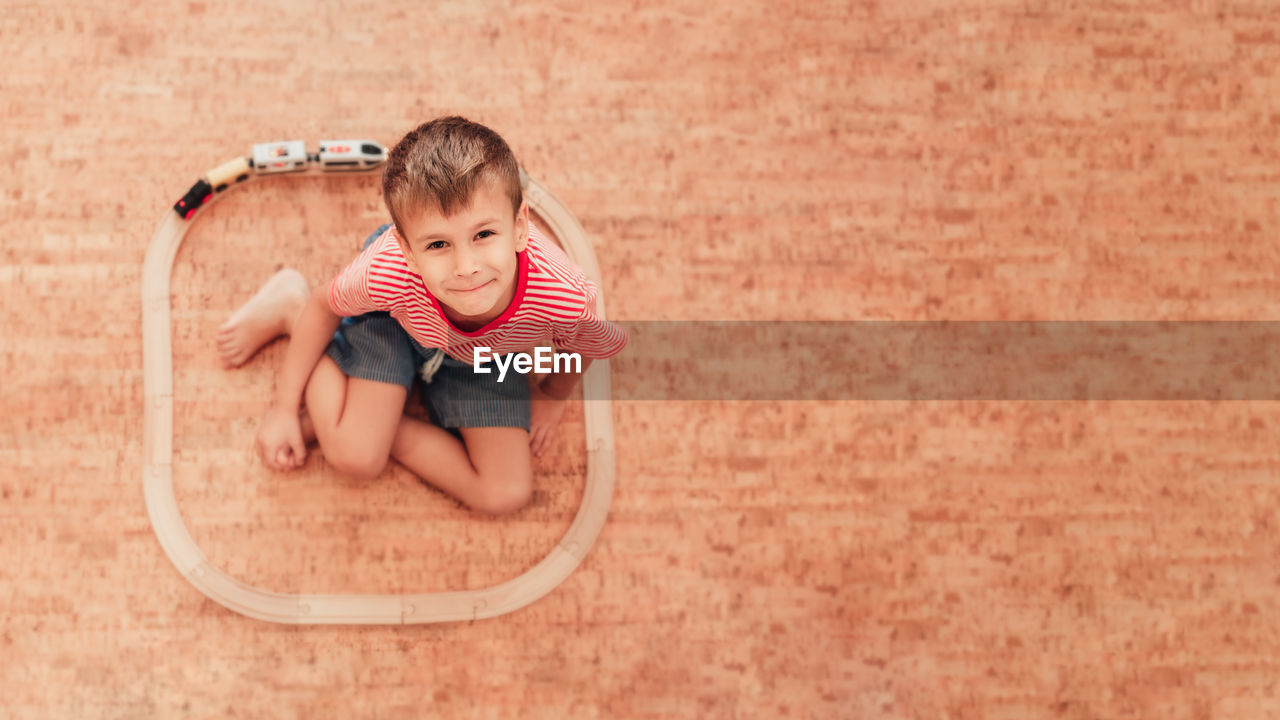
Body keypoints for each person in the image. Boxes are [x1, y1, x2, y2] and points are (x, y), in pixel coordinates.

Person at [214, 116, 627, 515]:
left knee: (505, 492)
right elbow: (326, 306)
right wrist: (285, 408)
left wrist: (552, 396)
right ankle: (291, 309)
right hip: (396, 322)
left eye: (484, 235)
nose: (467, 267)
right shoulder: (386, 270)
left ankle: (362, 416)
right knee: (356, 458)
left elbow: (582, 344)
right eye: (437, 245)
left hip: (485, 359)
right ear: (408, 250)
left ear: (520, 227)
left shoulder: (564, 294)